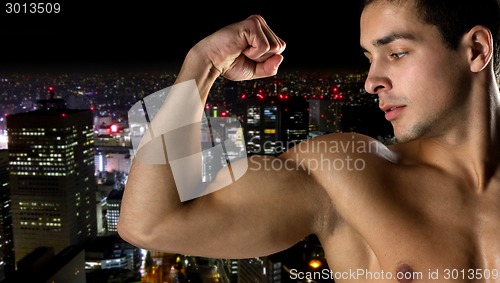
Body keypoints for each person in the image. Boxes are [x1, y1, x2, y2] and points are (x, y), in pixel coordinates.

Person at [118, 0, 500, 281]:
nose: (371, 81)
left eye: (396, 53)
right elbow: (149, 223)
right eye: (369, 58)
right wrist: (203, 63)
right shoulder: (349, 173)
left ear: (477, 50)